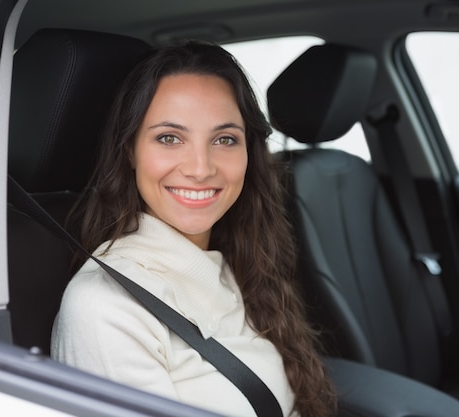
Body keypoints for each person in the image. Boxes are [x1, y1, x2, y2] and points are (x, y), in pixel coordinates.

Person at [51, 41, 335, 417]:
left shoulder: (238, 261)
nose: (201, 168)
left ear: (249, 153)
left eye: (224, 139)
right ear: (130, 150)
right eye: (170, 138)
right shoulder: (105, 309)